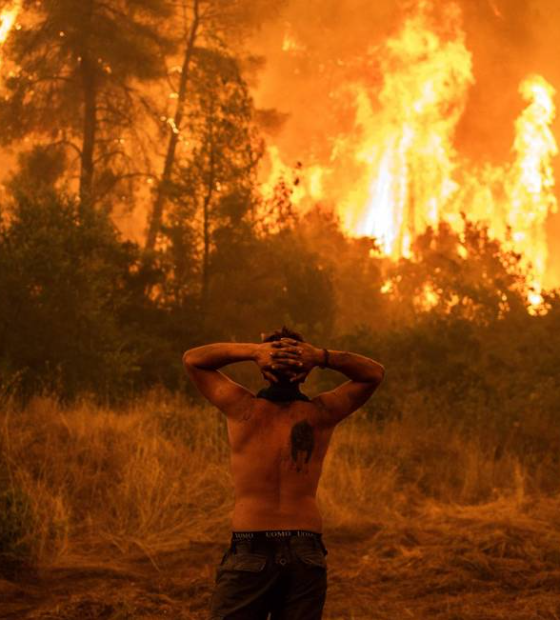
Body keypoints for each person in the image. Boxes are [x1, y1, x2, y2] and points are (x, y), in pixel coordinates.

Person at [182, 326, 385, 620]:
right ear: (305, 373)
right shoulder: (322, 413)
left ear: (264, 370)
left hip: (252, 545)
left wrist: (254, 351)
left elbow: (193, 359)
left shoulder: (241, 408)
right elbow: (373, 373)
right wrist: (320, 356)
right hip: (305, 549)